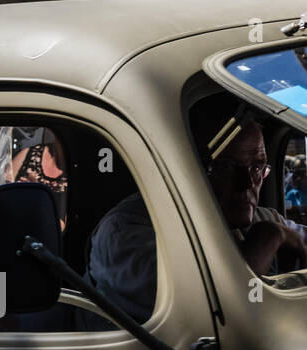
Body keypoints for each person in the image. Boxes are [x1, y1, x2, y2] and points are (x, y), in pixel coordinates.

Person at [86, 96, 307, 325]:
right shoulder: (124, 233)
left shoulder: (262, 218)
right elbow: (221, 317)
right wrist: (267, 239)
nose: (248, 184)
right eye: (227, 167)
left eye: (257, 168)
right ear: (185, 167)